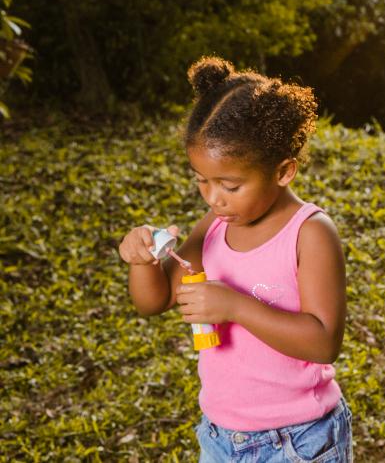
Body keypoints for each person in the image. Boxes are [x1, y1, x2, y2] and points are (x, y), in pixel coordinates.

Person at [118, 56, 351, 462]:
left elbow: (323, 341)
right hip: (221, 436)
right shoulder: (215, 223)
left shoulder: (309, 233)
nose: (212, 198)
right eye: (201, 181)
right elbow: (153, 301)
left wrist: (234, 306)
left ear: (283, 171)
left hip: (298, 440)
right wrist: (143, 261)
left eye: (229, 185)